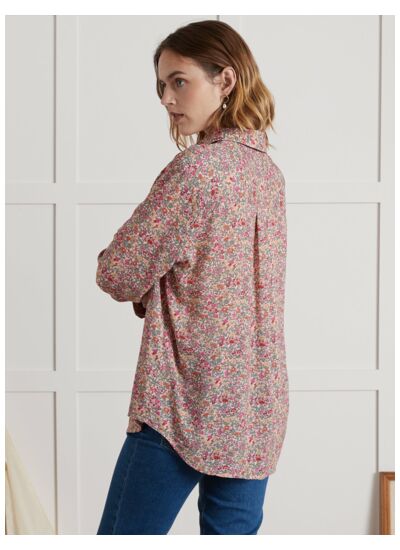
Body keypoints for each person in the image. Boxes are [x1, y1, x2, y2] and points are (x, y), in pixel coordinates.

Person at [96, 19, 289, 535]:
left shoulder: (195, 172)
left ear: (226, 80)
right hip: (254, 406)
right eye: (161, 85)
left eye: (179, 81)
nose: (167, 98)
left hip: (184, 401)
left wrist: (149, 289)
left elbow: (116, 273)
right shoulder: (268, 175)